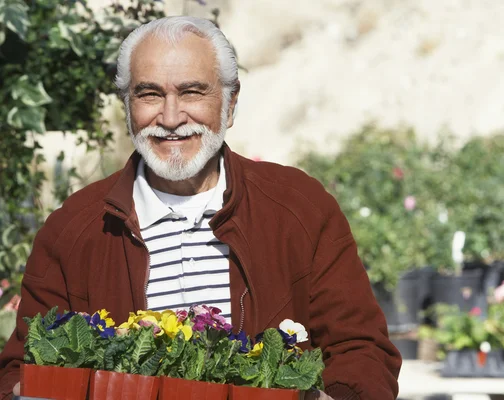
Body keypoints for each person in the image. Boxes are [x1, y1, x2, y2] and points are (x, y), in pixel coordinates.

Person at [0, 16, 402, 400]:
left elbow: (361, 351)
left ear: (230, 104)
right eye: (150, 94)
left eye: (192, 92)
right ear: (127, 106)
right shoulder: (73, 229)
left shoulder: (301, 209)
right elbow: (21, 367)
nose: (171, 117)